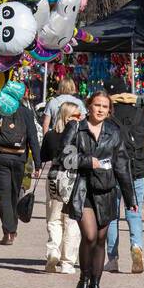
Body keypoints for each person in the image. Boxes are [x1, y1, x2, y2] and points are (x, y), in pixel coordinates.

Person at [60, 91, 136, 288]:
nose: (101, 109)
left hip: (106, 190)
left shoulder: (114, 131)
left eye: (105, 106)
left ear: (109, 110)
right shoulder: (76, 127)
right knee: (90, 236)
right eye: (97, 105)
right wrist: (87, 161)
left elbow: (122, 165)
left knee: (101, 240)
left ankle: (95, 286)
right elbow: (63, 157)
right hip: (82, 189)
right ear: (89, 106)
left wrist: (130, 199)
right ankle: (82, 282)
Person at [0, 92, 41, 245]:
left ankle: (8, 231)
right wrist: (38, 163)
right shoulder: (26, 112)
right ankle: (12, 228)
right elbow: (33, 138)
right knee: (14, 194)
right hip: (19, 159)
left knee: (4, 196)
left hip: (0, 159)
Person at [104, 76, 144, 274]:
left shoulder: (107, 113)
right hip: (136, 168)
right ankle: (136, 246)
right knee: (134, 212)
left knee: (112, 215)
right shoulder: (141, 113)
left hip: (113, 169)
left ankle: (112, 259)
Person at [41, 101, 83, 274]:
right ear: (70, 117)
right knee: (72, 220)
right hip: (74, 179)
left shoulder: (51, 135)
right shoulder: (81, 136)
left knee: (54, 217)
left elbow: (43, 156)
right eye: (78, 115)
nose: (81, 118)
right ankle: (68, 262)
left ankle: (53, 250)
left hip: (54, 177)